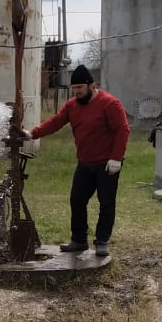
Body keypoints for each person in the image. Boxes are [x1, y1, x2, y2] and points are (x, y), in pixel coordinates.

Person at [25, 64, 130, 256]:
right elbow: (56, 122)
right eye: (74, 89)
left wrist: (116, 158)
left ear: (92, 85)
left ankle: (102, 241)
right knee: (77, 200)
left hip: (107, 165)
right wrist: (32, 134)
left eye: (80, 88)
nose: (77, 92)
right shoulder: (72, 105)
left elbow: (123, 130)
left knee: (106, 203)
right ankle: (79, 240)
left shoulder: (110, 103)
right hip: (85, 163)